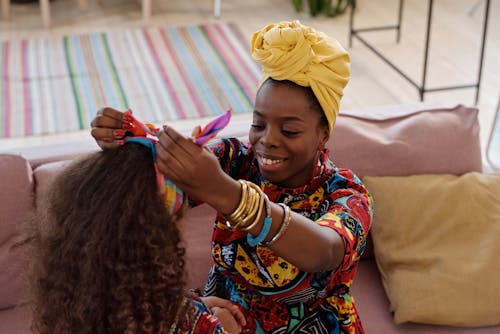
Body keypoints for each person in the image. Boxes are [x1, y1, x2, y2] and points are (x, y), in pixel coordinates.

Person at [91, 20, 373, 333]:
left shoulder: (347, 195)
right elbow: (176, 168)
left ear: (323, 134)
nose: (268, 139)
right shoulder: (238, 160)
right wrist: (135, 141)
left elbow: (325, 251)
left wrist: (228, 194)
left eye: (289, 130)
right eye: (258, 123)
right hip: (222, 315)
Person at [30, 142, 246, 334]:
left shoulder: (72, 304)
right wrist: (224, 325)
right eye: (181, 216)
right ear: (158, 234)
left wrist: (198, 303)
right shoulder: (194, 325)